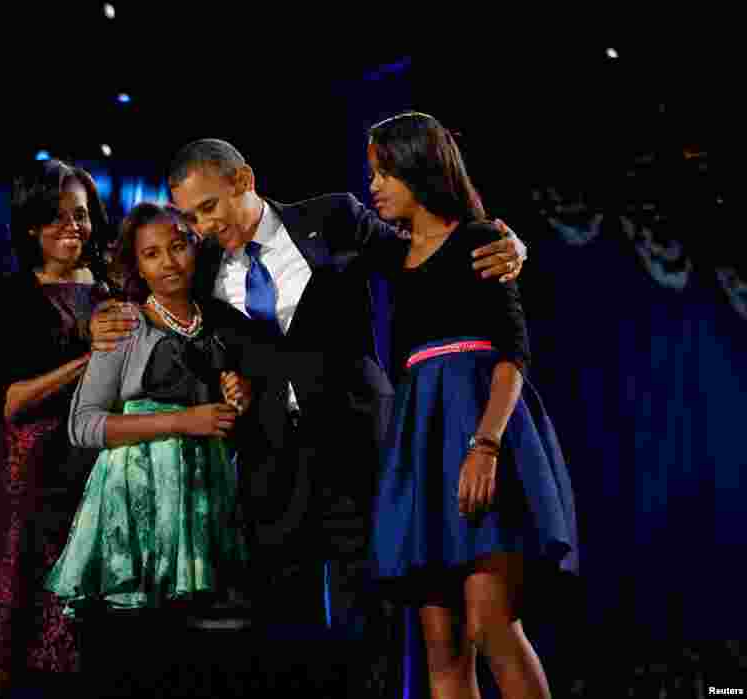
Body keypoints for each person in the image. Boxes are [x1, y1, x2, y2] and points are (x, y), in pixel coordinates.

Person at [88, 138, 529, 693]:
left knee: (373, 618)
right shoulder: (203, 271)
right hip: (273, 464)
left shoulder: (334, 217)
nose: (200, 228)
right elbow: (157, 300)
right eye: (191, 216)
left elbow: (421, 254)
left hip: (362, 448)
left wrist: (505, 243)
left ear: (243, 180)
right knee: (280, 628)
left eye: (209, 208)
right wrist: (102, 320)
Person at [365, 111, 578, 698]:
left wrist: (485, 445)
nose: (374, 186)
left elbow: (514, 355)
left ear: (419, 166)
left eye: (384, 172)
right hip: (420, 442)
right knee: (443, 647)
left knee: (492, 628)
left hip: (479, 428)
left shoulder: (482, 242)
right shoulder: (388, 256)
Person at [44, 202, 262, 695]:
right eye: (152, 254)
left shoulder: (224, 324)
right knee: (133, 651)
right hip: (135, 499)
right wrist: (185, 420)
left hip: (202, 497)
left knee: (198, 658)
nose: (168, 262)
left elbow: (242, 423)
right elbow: (83, 425)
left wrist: (238, 400)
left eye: (178, 247)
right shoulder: (124, 324)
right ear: (136, 264)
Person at [0, 159, 115, 699]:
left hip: (95, 481)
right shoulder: (9, 296)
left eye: (81, 214)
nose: (72, 226)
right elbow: (9, 402)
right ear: (30, 226)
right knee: (0, 646)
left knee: (81, 653)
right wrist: (85, 360)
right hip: (26, 485)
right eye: (55, 217)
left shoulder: (116, 290)